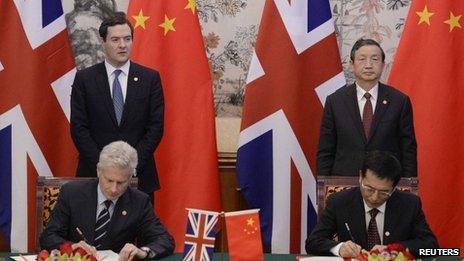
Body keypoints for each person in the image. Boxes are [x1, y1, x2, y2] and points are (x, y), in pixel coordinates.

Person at [70, 11, 164, 201]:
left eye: (127, 39)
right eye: (115, 40)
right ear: (102, 43)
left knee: (138, 230)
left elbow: (155, 127)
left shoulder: (150, 78)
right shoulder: (85, 79)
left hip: (139, 175)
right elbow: (79, 128)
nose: (122, 45)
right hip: (94, 174)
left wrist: (131, 165)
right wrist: (104, 166)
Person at [39, 141, 174, 259]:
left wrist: (143, 251)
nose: (114, 189)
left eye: (121, 182)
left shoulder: (139, 201)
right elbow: (48, 236)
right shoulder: (72, 193)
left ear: (130, 177)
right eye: (109, 180)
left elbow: (165, 240)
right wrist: (73, 247)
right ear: (98, 170)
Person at [306, 151, 438, 258]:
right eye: (369, 189)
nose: (374, 197)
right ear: (360, 177)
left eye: (384, 192)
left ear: (393, 187)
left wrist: (395, 249)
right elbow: (313, 242)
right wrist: (339, 248)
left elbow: (431, 246)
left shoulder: (409, 204)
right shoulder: (339, 202)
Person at [317, 38, 417, 177]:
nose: (368, 65)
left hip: (385, 183)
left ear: (383, 65)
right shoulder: (335, 101)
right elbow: (326, 150)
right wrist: (323, 186)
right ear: (352, 65)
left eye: (375, 59)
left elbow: (408, 150)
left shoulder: (399, 101)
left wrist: (408, 187)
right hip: (344, 183)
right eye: (362, 59)